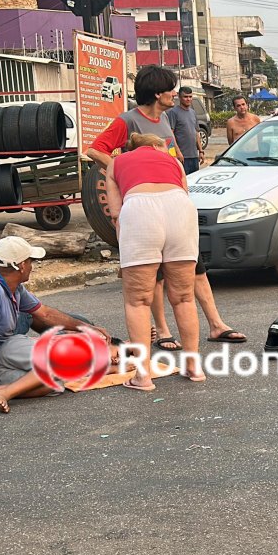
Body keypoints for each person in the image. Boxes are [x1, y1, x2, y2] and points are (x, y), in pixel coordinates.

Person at [89, 66, 244, 351]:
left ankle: (216, 324)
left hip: (174, 206)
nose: (176, 93)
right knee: (154, 275)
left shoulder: (164, 120)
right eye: (172, 89)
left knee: (195, 267)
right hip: (143, 211)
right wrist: (123, 170)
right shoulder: (127, 121)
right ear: (157, 93)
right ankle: (162, 330)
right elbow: (94, 149)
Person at [0, 237, 111, 413]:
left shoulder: (11, 286)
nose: (32, 267)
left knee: (56, 380)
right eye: (31, 261)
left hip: (4, 348)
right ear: (22, 265)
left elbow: (44, 313)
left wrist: (85, 328)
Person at [106, 133, 206, 390]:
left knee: (138, 300)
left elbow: (116, 213)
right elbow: (183, 193)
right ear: (154, 146)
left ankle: (143, 375)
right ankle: (193, 365)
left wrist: (126, 251)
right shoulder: (173, 162)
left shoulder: (116, 163)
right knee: (184, 296)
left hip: (139, 210)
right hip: (180, 209)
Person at [166, 86, 205, 174]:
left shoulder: (193, 112)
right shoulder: (173, 113)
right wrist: (178, 153)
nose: (188, 99)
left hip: (194, 156)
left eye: (190, 97)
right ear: (179, 97)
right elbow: (170, 135)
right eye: (185, 97)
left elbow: (196, 133)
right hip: (182, 157)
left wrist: (201, 151)